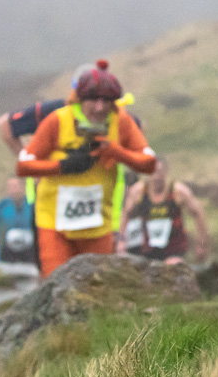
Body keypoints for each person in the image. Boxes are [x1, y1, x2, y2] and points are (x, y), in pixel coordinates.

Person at [16, 60, 157, 276]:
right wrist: (63, 166)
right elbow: (23, 166)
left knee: (98, 290)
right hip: (54, 223)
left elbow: (148, 163)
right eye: (93, 100)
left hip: (98, 224)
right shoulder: (57, 121)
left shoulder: (121, 122)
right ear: (80, 98)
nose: (100, 108)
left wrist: (115, 152)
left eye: (107, 101)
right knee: (58, 285)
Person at [119, 157, 211, 265]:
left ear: (166, 172)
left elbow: (198, 212)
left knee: (172, 267)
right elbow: (125, 214)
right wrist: (121, 241)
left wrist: (201, 244)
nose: (156, 177)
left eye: (159, 173)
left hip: (174, 250)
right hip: (148, 251)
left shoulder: (178, 191)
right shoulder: (139, 192)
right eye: (153, 173)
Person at [0, 177, 39, 273]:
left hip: (29, 251)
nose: (13, 190)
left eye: (15, 186)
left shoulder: (33, 206)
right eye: (10, 187)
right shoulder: (1, 207)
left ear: (23, 188)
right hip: (8, 251)